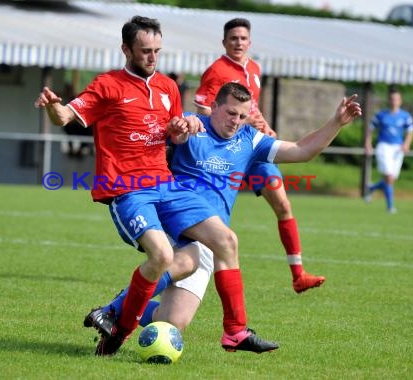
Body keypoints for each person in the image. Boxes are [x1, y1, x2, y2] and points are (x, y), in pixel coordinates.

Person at [34, 16, 277, 356]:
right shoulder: (107, 85)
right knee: (162, 256)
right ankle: (117, 330)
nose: (152, 57)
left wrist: (183, 127)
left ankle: (235, 333)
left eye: (157, 51)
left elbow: (173, 134)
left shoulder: (167, 88)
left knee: (225, 240)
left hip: (167, 185)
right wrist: (53, 107)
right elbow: (63, 118)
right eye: (145, 51)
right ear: (126, 49)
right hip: (127, 189)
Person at [86, 83, 361, 334]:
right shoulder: (191, 128)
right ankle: (115, 310)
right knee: (183, 260)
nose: (236, 122)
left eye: (242, 117)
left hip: (212, 239)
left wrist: (336, 123)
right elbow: (148, 141)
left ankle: (128, 300)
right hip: (177, 224)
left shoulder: (250, 140)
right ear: (214, 106)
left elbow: (302, 150)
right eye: (231, 113)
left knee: (171, 323)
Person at [194, 17, 325, 292]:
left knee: (283, 204)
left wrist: (264, 125)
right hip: (228, 150)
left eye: (243, 38)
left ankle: (298, 274)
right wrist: (238, 122)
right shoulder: (215, 71)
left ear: (249, 42)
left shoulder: (254, 69)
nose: (238, 42)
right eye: (233, 38)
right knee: (214, 220)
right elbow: (204, 111)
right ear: (224, 42)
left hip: (252, 148)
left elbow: (251, 110)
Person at [364, 88, 413, 213]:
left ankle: (372, 188)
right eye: (392, 99)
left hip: (398, 149)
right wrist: (367, 143)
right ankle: (390, 207)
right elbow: (370, 129)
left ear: (400, 101)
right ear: (388, 101)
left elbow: (410, 131)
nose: (394, 101)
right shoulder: (381, 115)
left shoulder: (405, 116)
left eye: (396, 99)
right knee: (388, 176)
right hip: (384, 146)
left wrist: (406, 144)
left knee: (391, 179)